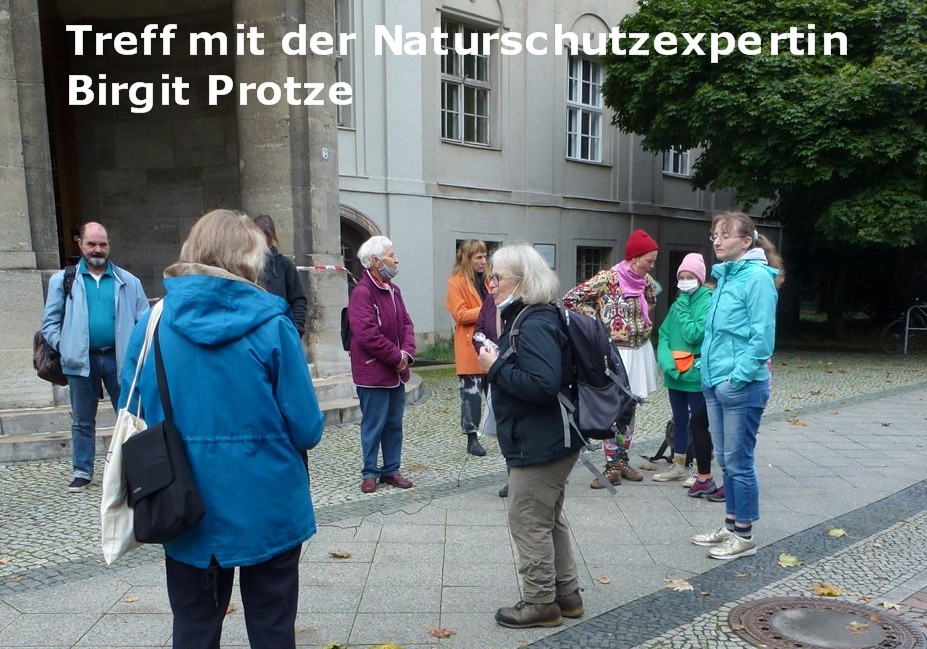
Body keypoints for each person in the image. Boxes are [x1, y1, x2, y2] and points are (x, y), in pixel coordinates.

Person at [117, 209, 324, 648]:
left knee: (193, 632)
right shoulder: (274, 326)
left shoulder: (150, 325)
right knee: (272, 631)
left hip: (182, 504)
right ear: (249, 258)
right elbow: (307, 429)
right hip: (269, 506)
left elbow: (131, 411)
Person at [478, 244, 584, 629]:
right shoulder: (535, 315)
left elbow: (542, 385)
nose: (491, 285)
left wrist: (494, 367)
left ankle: (540, 602)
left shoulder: (535, 321)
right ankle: (566, 595)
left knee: (527, 518)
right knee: (547, 518)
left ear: (522, 281)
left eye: (498, 277)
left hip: (540, 441)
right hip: (549, 437)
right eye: (489, 277)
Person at [691, 211, 784, 561]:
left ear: (746, 242)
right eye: (714, 234)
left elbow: (762, 339)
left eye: (724, 235)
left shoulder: (756, 278)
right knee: (727, 460)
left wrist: (737, 378)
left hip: (740, 386)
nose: (716, 240)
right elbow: (717, 332)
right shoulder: (727, 275)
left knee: (739, 461)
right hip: (716, 381)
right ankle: (731, 525)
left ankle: (743, 534)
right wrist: (706, 370)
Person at [40, 222, 148, 493]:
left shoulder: (129, 281)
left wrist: (137, 352)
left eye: (103, 244)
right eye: (91, 244)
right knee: (82, 420)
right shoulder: (63, 280)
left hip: (120, 360)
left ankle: (135, 470)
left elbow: (144, 322)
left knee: (129, 415)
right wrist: (66, 346)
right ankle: (82, 471)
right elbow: (49, 324)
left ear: (109, 245)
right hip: (80, 361)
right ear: (80, 244)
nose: (97, 250)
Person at [562, 228, 660, 488]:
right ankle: (611, 464)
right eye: (649, 260)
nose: (652, 266)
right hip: (616, 352)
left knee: (630, 407)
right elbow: (570, 299)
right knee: (613, 407)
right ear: (634, 258)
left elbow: (651, 302)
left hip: (639, 351)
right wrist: (598, 323)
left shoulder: (646, 282)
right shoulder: (608, 279)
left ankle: (622, 460)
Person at [348, 235, 416, 494]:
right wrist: (397, 357)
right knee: (373, 424)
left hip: (396, 371)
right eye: (391, 255)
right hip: (373, 371)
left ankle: (391, 469)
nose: (396, 260)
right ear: (376, 261)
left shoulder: (394, 290)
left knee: (394, 423)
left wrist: (406, 353)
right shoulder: (362, 293)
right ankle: (369, 472)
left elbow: (407, 324)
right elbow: (367, 334)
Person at [653, 253, 712, 485]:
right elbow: (664, 334)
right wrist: (667, 364)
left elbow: (694, 334)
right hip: (675, 373)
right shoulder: (678, 303)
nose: (685, 282)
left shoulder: (707, 301)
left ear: (700, 278)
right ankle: (678, 465)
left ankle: (700, 469)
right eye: (682, 277)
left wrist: (685, 306)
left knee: (698, 423)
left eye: (690, 277)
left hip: (695, 373)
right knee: (678, 420)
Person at [445, 239, 491, 457]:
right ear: (467, 259)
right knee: (471, 395)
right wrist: (488, 309)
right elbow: (461, 314)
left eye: (485, 256)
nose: (484, 261)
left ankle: (502, 432)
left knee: (497, 393)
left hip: (491, 345)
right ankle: (472, 438)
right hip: (470, 346)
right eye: (479, 257)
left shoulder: (489, 280)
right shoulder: (456, 283)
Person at [252, 214, 308, 338]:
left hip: (280, 333)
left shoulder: (285, 264)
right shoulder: (244, 265)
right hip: (254, 335)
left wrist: (296, 331)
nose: (265, 244)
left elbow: (298, 299)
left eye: (268, 239)